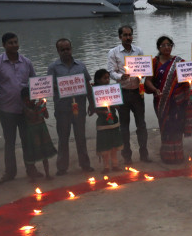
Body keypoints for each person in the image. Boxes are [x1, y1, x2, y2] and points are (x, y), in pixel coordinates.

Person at [0, 32, 37, 182]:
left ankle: (31, 169)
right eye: (10, 43)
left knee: (27, 140)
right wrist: (1, 100)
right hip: (7, 111)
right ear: (4, 45)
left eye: (16, 42)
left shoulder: (26, 62)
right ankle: (10, 172)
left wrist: (33, 103)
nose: (14, 45)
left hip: (25, 110)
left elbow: (35, 84)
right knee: (9, 142)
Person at [47, 38, 95, 175]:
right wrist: (63, 86)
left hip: (79, 108)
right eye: (62, 49)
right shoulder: (53, 67)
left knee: (81, 137)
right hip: (62, 109)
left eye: (68, 48)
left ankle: (85, 164)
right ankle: (62, 168)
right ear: (58, 51)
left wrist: (91, 103)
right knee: (63, 139)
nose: (66, 51)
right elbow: (48, 86)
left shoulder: (80, 65)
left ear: (71, 49)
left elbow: (87, 84)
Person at [106, 25, 151, 164]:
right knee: (124, 127)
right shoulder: (113, 52)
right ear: (120, 37)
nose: (128, 37)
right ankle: (127, 156)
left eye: (130, 34)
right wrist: (121, 77)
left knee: (141, 125)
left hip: (138, 93)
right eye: (125, 35)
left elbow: (144, 68)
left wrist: (142, 75)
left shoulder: (138, 50)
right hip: (123, 93)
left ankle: (144, 154)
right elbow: (110, 72)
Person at [145, 35, 192, 164]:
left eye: (169, 45)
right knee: (165, 127)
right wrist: (155, 90)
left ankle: (178, 154)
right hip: (161, 101)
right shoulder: (154, 62)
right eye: (163, 45)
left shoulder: (180, 62)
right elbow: (147, 81)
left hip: (177, 101)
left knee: (177, 126)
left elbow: (189, 78)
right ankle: (168, 156)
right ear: (158, 48)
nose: (167, 47)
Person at [20, 88, 56, 179]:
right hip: (32, 133)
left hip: (42, 131)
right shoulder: (25, 109)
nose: (30, 102)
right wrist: (37, 107)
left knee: (45, 154)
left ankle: (47, 174)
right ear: (24, 101)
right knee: (32, 155)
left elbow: (46, 116)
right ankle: (32, 176)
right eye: (27, 100)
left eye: (31, 99)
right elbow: (33, 117)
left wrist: (44, 107)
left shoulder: (39, 106)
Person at [92, 69, 123, 174]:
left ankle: (115, 165)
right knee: (105, 146)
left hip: (114, 120)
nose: (108, 80)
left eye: (108, 78)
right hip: (102, 122)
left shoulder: (112, 90)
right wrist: (103, 112)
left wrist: (116, 106)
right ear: (98, 80)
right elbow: (93, 110)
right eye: (105, 78)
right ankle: (106, 166)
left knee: (114, 145)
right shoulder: (95, 92)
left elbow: (118, 105)